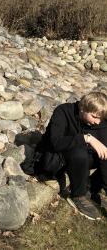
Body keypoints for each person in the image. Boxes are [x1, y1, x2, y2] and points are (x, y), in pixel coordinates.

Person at [33, 91, 107, 220]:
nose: (97, 122)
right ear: (82, 108)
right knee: (79, 153)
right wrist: (87, 138)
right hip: (57, 158)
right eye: (94, 117)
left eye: (100, 118)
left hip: (81, 160)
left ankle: (90, 187)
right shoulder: (63, 111)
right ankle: (78, 196)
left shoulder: (100, 122)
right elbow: (55, 142)